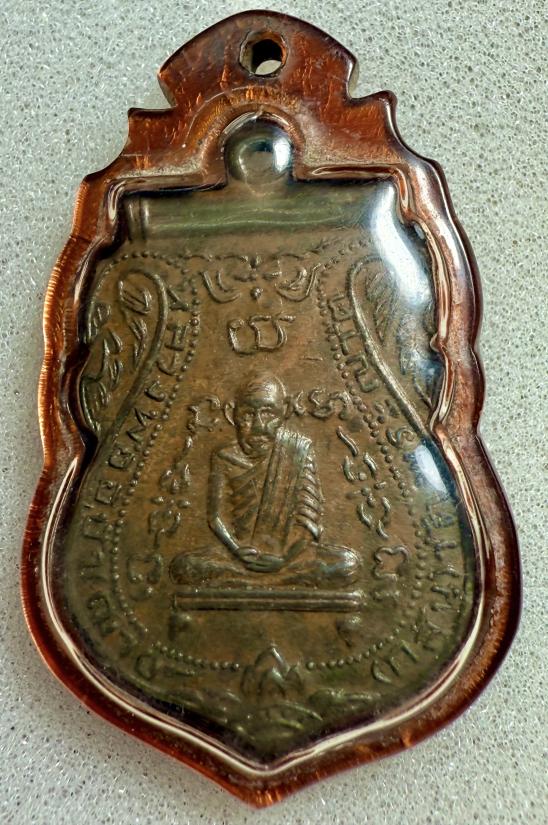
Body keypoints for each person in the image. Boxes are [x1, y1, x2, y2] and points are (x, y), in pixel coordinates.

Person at [170, 373, 360, 587]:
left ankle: (251, 581)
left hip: (290, 556)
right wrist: (236, 550)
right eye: (248, 415)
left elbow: (308, 520)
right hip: (238, 556)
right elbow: (215, 517)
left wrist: (285, 558)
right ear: (231, 414)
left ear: (284, 411)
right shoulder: (224, 457)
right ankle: (275, 581)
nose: (259, 425)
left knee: (347, 564)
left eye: (269, 413)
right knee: (185, 566)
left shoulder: (298, 449)